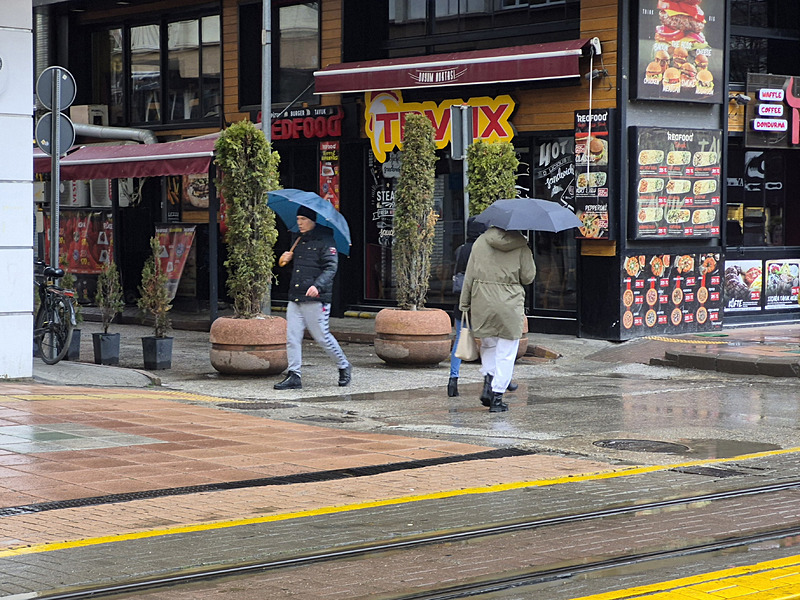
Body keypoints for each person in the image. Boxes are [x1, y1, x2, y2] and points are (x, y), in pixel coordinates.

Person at [274, 205, 351, 390]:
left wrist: (317, 286)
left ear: (313, 221)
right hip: (296, 295)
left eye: (303, 219)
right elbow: (296, 267)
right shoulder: (297, 239)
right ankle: (294, 375)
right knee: (292, 337)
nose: (299, 223)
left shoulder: (326, 240)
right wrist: (286, 258)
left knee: (322, 336)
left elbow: (331, 267)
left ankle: (343, 365)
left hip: (316, 298)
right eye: (298, 219)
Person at [459, 226, 535, 412]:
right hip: (509, 303)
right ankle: (497, 396)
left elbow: (469, 275)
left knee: (488, 345)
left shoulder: (480, 242)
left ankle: (488, 383)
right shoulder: (522, 246)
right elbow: (528, 277)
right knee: (507, 351)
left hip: (482, 301)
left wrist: (464, 304)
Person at [447, 218, 486, 397]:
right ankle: (490, 379)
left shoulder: (460, 250)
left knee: (460, 339)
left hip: (461, 300)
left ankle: (453, 380)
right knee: (488, 341)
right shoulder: (483, 251)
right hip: (480, 300)